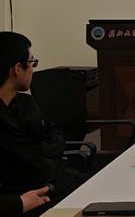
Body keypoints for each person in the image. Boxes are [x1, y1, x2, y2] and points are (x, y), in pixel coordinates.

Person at [0, 32, 84, 214]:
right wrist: (18, 204)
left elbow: (54, 137)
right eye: (32, 63)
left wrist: (42, 152)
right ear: (17, 69)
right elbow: (30, 164)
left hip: (52, 180)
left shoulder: (24, 103)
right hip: (27, 197)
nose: (32, 69)